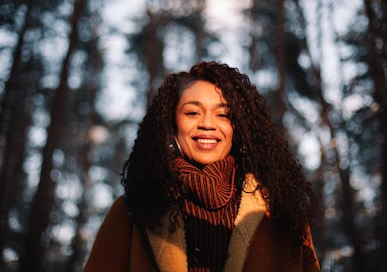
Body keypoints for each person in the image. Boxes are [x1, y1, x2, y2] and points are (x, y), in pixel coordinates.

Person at [83, 61, 320, 272]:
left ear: (237, 128)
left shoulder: (279, 211)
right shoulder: (132, 210)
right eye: (193, 112)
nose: (207, 124)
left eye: (223, 115)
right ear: (171, 124)